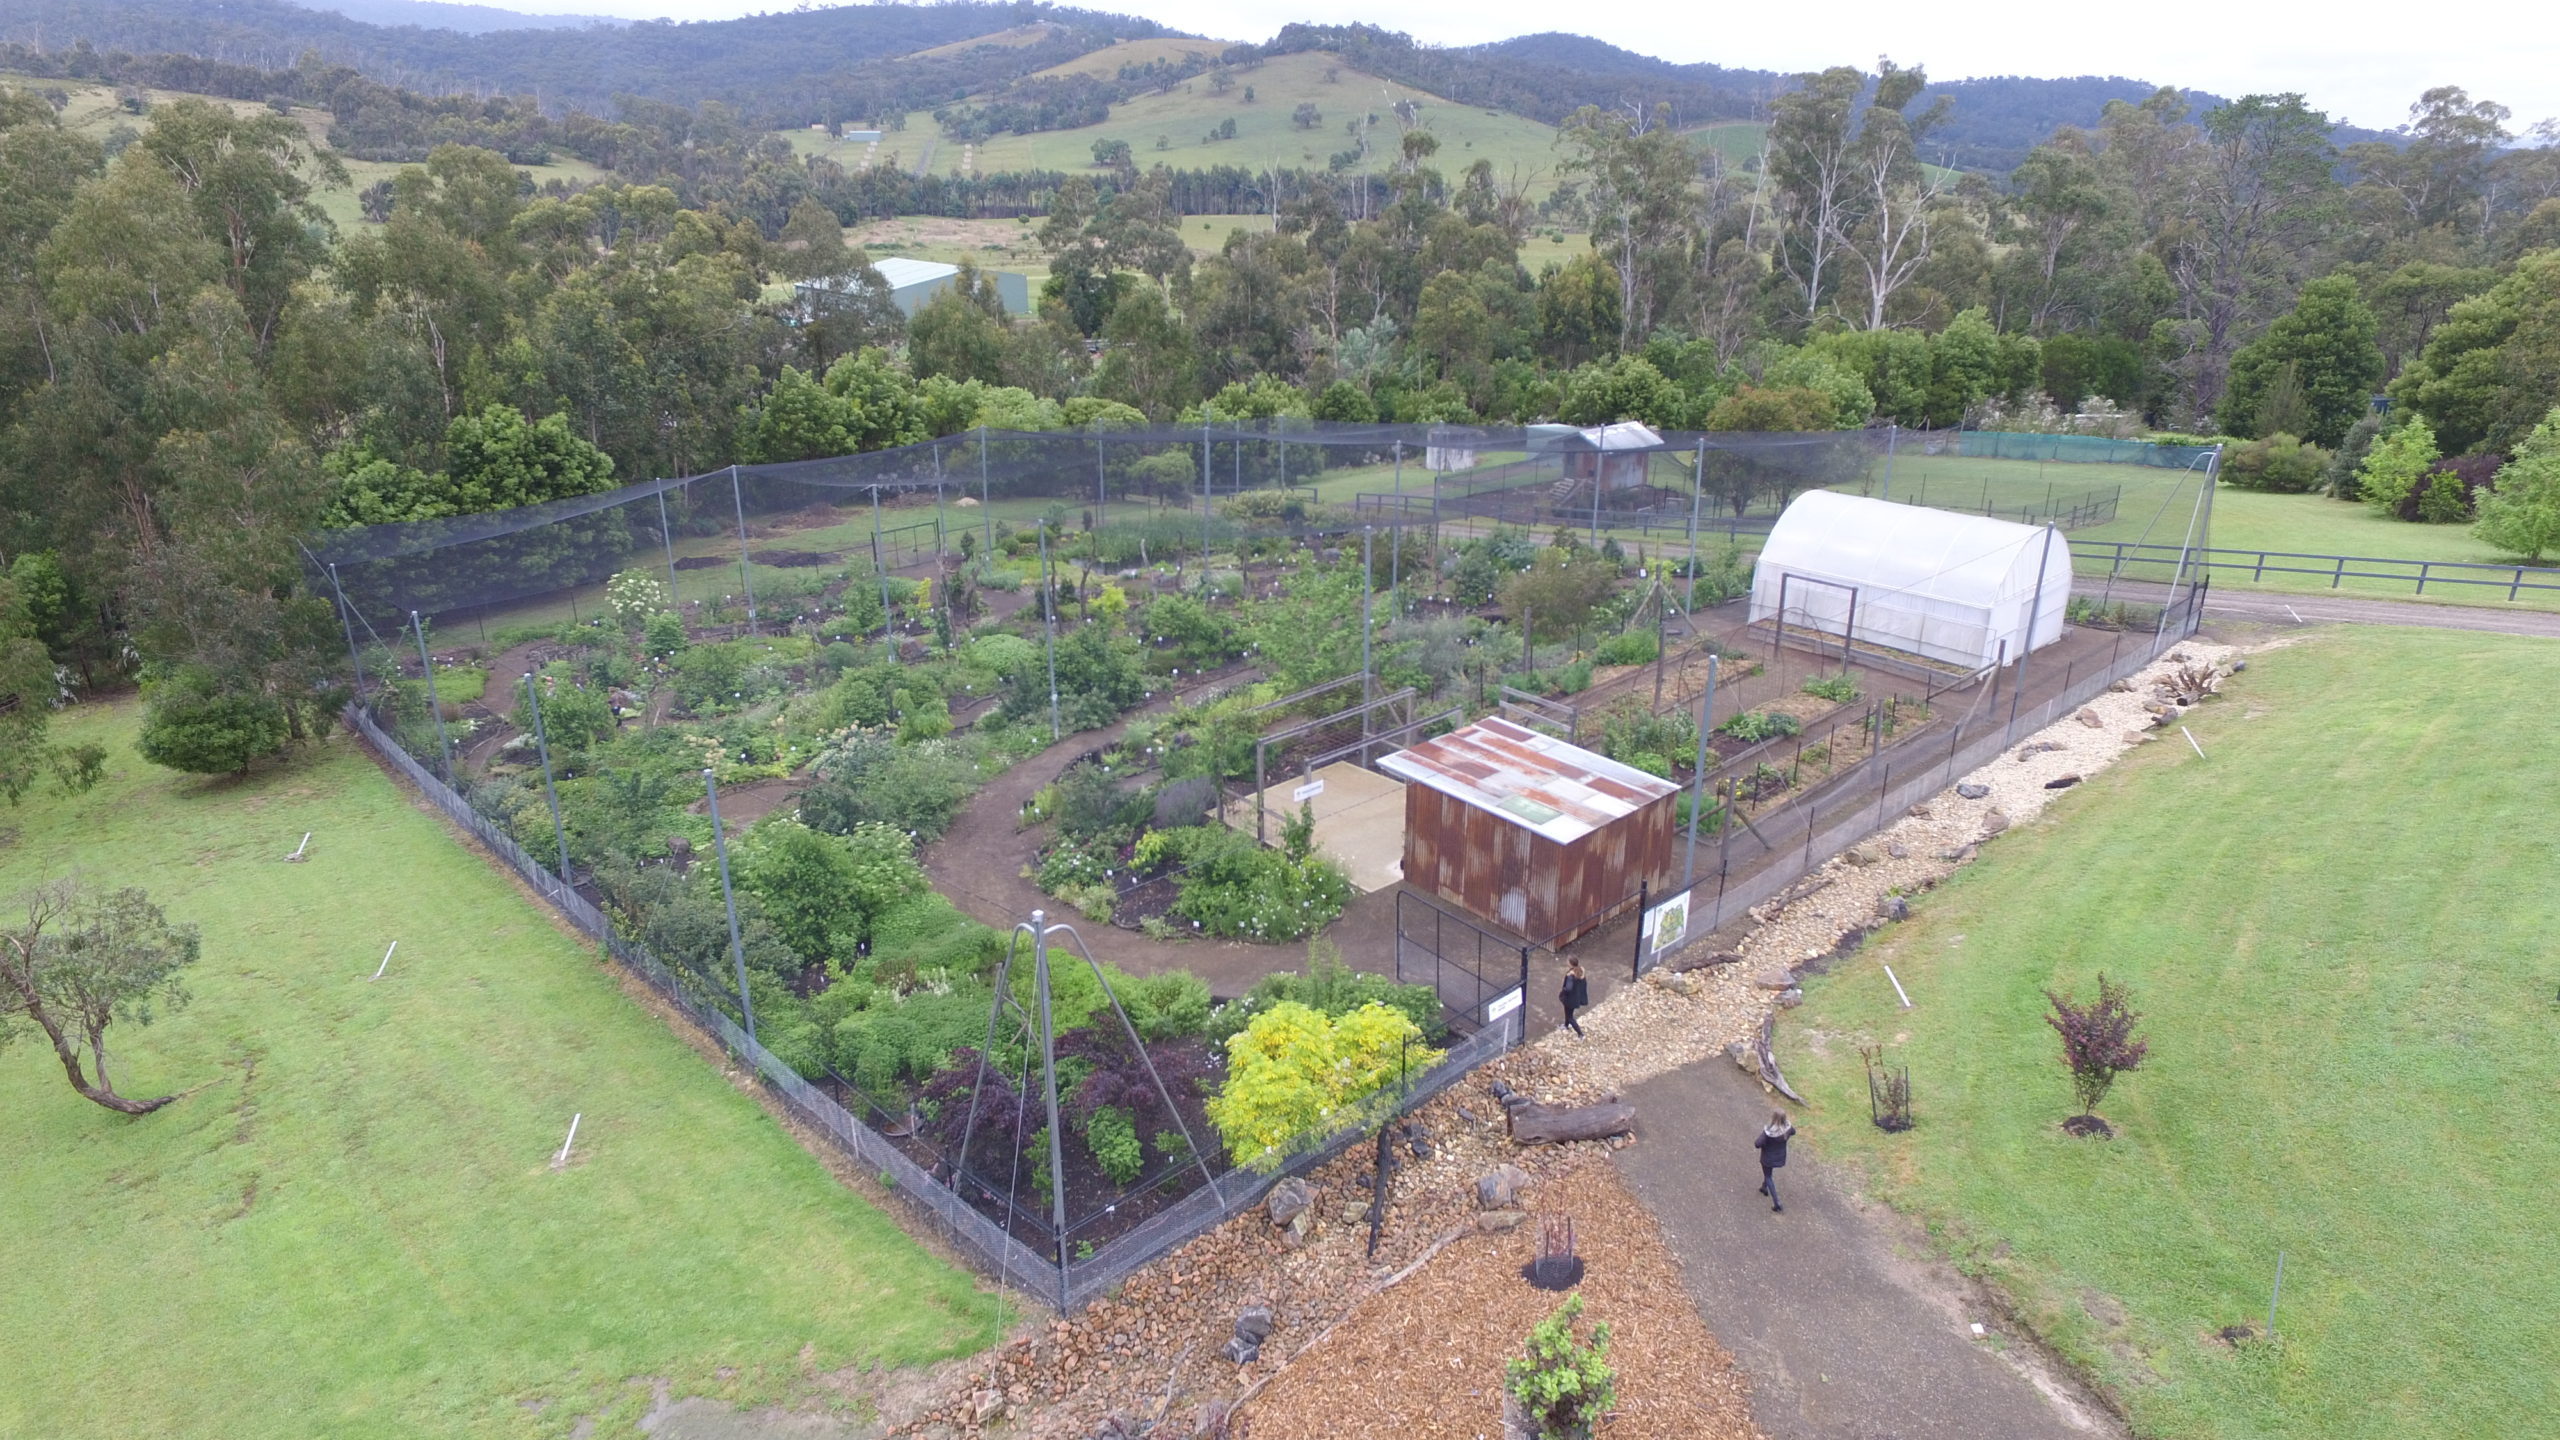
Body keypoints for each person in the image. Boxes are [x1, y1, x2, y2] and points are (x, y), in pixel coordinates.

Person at [1754, 1110, 1796, 1212]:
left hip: (1768, 1158)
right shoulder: (1787, 1128)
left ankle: (1777, 1203)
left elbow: (1757, 1144)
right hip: (1780, 1157)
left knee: (1768, 1176)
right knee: (1769, 1173)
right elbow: (1794, 1132)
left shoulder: (1769, 1132)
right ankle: (1764, 1187)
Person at [1558, 958, 1590, 1037]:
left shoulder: (1570, 976)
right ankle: (1566, 1025)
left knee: (1570, 1017)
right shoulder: (1580, 971)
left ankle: (1580, 1034)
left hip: (1569, 999)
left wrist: (1562, 992)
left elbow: (1568, 988)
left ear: (1570, 964)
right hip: (1576, 997)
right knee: (1569, 1013)